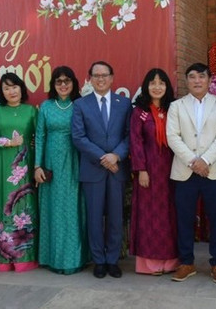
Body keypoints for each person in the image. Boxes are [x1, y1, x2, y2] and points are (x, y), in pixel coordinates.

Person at [166, 62, 216, 283]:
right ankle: (186, 262)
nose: (197, 81)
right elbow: (172, 137)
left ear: (209, 80)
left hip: (215, 170)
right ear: (187, 81)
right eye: (192, 77)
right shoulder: (176, 106)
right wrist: (194, 161)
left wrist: (205, 160)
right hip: (185, 171)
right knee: (184, 218)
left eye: (201, 77)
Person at [71, 61, 132, 279]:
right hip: (93, 169)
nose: (100, 79)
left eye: (104, 75)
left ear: (112, 77)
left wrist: (116, 155)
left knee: (116, 217)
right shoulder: (80, 104)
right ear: (90, 78)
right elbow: (78, 137)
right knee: (94, 217)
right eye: (96, 75)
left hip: (117, 167)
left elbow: (129, 135)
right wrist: (103, 157)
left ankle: (113, 260)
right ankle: (99, 260)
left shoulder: (124, 103)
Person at [34, 66, 88, 274]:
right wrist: (38, 165)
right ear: (53, 85)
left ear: (74, 83)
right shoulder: (46, 107)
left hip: (75, 161)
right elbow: (40, 136)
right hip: (51, 165)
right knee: (53, 210)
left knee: (72, 209)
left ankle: (74, 258)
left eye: (67, 81)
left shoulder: (80, 105)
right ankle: (52, 257)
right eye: (58, 81)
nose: (63, 85)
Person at [0, 73, 39, 272]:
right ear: (2, 92)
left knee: (25, 204)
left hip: (26, 164)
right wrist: (6, 142)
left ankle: (27, 257)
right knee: (6, 204)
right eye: (6, 88)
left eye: (14, 87)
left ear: (21, 88)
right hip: (4, 165)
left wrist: (37, 164)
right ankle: (6, 258)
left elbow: (39, 137)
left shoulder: (31, 111)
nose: (11, 91)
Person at [129, 68, 178, 275]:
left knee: (169, 215)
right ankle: (149, 264)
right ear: (146, 86)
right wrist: (141, 169)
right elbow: (136, 142)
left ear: (167, 87)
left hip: (172, 170)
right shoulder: (139, 112)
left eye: (161, 83)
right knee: (149, 215)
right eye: (152, 83)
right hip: (148, 172)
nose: (157, 87)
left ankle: (171, 261)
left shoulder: (173, 109)